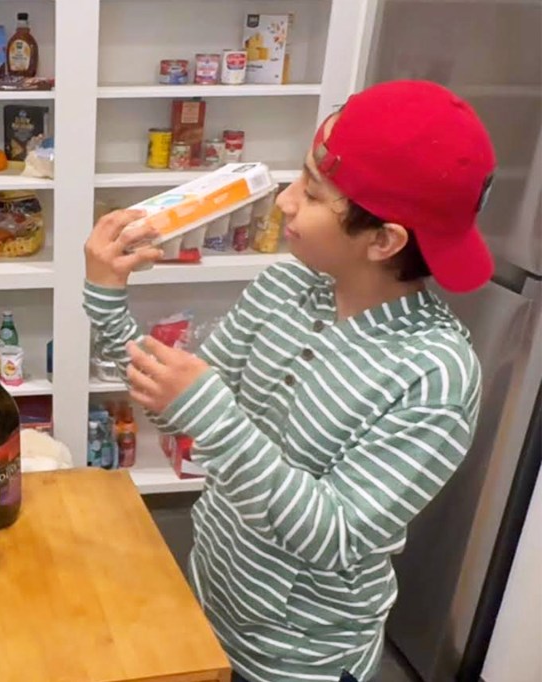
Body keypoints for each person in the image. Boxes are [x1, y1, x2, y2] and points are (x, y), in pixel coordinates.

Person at [83, 80, 494, 682]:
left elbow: (337, 537)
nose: (284, 201)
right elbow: (176, 409)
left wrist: (213, 414)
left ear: (384, 241)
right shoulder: (286, 287)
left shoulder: (434, 374)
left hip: (301, 659)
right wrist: (106, 297)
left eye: (314, 192)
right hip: (206, 593)